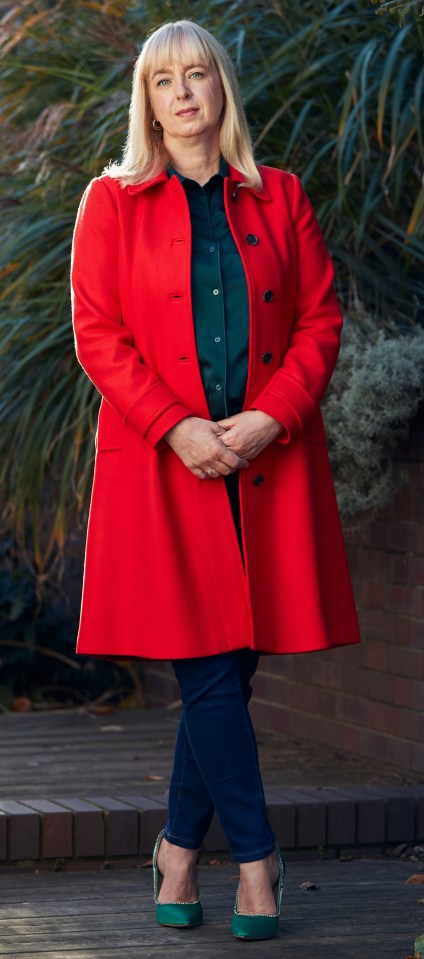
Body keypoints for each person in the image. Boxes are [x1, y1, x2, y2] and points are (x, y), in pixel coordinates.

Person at [70, 18, 361, 942]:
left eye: (199, 76)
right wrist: (176, 426)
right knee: (207, 670)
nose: (185, 93)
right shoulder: (110, 202)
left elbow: (320, 317)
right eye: (165, 82)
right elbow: (97, 334)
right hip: (169, 469)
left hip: (265, 465)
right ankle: (258, 859)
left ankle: (177, 851)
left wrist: (274, 413)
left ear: (222, 89)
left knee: (229, 671)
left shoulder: (279, 195)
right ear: (147, 101)